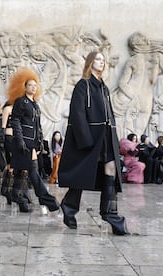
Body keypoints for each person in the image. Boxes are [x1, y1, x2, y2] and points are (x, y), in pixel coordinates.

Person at [58, 51, 128, 235]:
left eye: (103, 60)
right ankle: (69, 206)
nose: (101, 62)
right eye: (97, 59)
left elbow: (108, 114)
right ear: (90, 62)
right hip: (91, 138)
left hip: (105, 137)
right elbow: (77, 113)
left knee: (111, 171)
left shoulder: (103, 88)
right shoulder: (83, 85)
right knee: (83, 174)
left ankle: (110, 214)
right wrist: (85, 140)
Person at [9, 67, 60, 213]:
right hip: (23, 141)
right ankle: (45, 199)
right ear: (25, 87)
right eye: (30, 85)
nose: (33, 87)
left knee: (23, 172)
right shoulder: (21, 102)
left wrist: (40, 143)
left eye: (35, 85)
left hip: (32, 143)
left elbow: (38, 126)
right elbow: (16, 121)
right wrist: (19, 140)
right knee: (32, 170)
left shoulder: (35, 105)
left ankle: (17, 195)